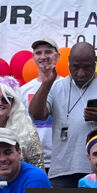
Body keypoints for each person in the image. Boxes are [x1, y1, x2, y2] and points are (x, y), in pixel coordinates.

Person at [29, 42, 97, 187]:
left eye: (87, 67)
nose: (81, 73)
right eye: (75, 67)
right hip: (62, 171)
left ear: (95, 61)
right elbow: (37, 115)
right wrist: (46, 84)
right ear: (68, 61)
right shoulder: (56, 86)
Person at [19, 38, 59, 171]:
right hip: (32, 161)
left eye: (48, 52)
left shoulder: (67, 86)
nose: (43, 57)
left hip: (61, 160)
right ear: (33, 57)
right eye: (38, 53)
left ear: (57, 56)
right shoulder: (24, 91)